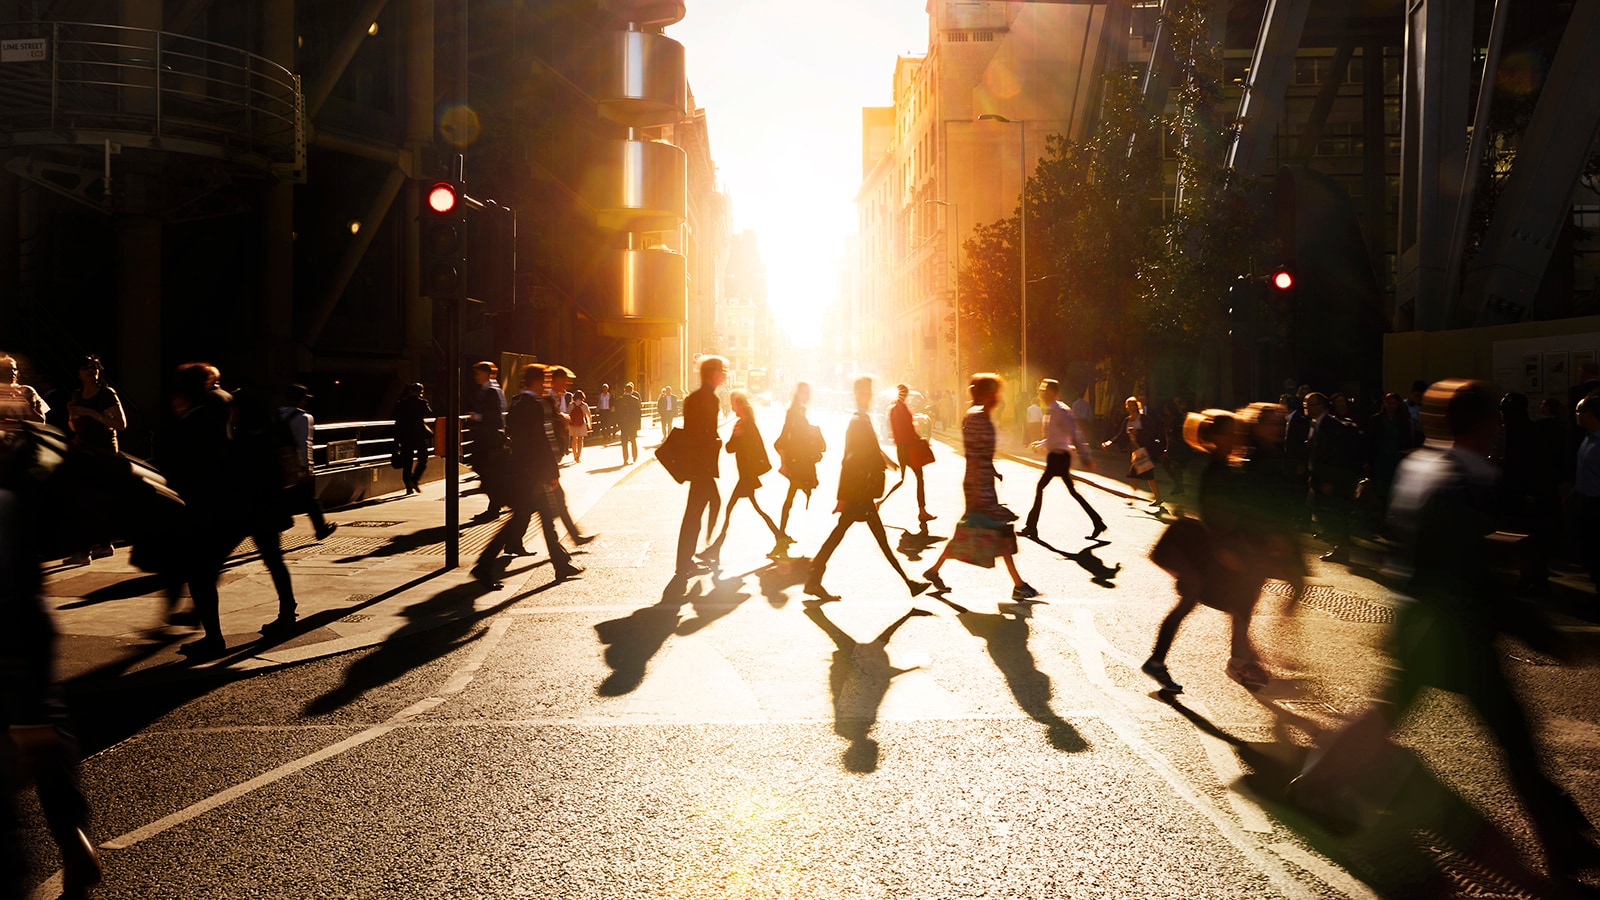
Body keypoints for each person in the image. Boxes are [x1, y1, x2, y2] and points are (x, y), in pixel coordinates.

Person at [1291, 380, 1600, 885]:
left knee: (1392, 719)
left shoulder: (1424, 465)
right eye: (1494, 423)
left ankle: (1311, 785)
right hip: (1455, 633)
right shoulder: (1461, 480)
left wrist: (1492, 543)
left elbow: (1427, 542)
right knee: (1516, 742)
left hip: (1425, 624)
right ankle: (1563, 849)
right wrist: (1545, 636)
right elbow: (1468, 573)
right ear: (1485, 426)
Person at [0, 457, 102, 900]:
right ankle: (72, 835)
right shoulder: (11, 493)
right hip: (29, 629)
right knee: (47, 739)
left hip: (10, 640)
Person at [1143, 409, 1280, 693]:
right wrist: (1225, 549)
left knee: (1223, 601)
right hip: (1202, 551)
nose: (1237, 437)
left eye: (1238, 433)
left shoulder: (1226, 466)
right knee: (1227, 598)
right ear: (1216, 438)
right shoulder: (1214, 468)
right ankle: (1238, 661)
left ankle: (1162, 661)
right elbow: (1212, 514)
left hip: (1209, 549)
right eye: (1231, 433)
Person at [802, 376, 931, 600]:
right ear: (860, 395)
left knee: (840, 536)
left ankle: (813, 580)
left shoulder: (863, 419)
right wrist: (843, 497)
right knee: (876, 540)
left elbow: (870, 451)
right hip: (859, 493)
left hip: (860, 492)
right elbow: (849, 459)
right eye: (867, 392)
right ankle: (909, 584)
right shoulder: (858, 421)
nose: (870, 396)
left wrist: (888, 463)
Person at [922, 373, 1038, 601]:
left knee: (973, 529)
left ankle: (934, 570)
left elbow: (978, 452)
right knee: (998, 530)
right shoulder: (978, 417)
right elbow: (977, 453)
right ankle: (1018, 584)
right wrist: (982, 485)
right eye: (995, 391)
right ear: (986, 394)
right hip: (978, 483)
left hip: (980, 479)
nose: (998, 397)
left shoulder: (976, 414)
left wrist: (991, 470)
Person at [472, 364, 581, 588]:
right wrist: (550, 472)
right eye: (546, 381)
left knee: (543, 518)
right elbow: (541, 442)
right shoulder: (533, 406)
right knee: (521, 520)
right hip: (532, 474)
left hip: (527, 472)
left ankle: (560, 563)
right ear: (538, 382)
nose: (548, 385)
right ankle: (483, 566)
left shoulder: (520, 403)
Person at [703, 390, 789, 562]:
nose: (732, 407)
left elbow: (756, 449)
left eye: (733, 403)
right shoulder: (742, 423)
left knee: (730, 509)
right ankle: (781, 538)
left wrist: (739, 437)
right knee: (757, 509)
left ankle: (713, 551)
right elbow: (730, 449)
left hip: (747, 476)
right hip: (746, 475)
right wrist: (735, 436)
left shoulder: (747, 424)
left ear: (740, 404)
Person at [1020, 378, 1105, 541]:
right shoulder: (1051, 409)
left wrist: (1086, 455)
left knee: (1041, 488)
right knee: (1071, 491)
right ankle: (1097, 522)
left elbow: (1074, 433)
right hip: (1056, 455)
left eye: (1044, 390)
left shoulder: (1060, 410)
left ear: (1052, 392)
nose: (1041, 393)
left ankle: (1031, 527)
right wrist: (1041, 443)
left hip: (1059, 456)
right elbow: (1055, 436)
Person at [62, 356, 127, 564]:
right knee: (91, 500)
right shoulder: (77, 395)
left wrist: (92, 413)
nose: (91, 371)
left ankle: (84, 551)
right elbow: (75, 427)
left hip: (104, 452)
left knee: (87, 500)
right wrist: (72, 416)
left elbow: (120, 424)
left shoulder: (106, 394)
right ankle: (104, 544)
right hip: (83, 450)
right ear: (78, 373)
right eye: (86, 367)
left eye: (94, 367)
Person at [676, 357, 727, 575]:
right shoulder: (708, 399)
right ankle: (697, 555)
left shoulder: (696, 397)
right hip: (702, 465)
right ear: (714, 373)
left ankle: (691, 557)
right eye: (722, 371)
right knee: (700, 509)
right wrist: (715, 441)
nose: (724, 374)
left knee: (698, 510)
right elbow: (703, 433)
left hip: (697, 464)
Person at [1303, 391, 1360, 563]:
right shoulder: (1315, 423)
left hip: (1330, 480)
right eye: (1305, 404)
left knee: (1334, 513)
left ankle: (1341, 548)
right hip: (1320, 477)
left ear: (1321, 406)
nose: (1306, 407)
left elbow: (1334, 455)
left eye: (1310, 404)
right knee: (1325, 511)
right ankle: (1338, 546)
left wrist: (1328, 480)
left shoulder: (1330, 425)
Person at [542, 366, 592, 544]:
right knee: (544, 509)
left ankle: (572, 541)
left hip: (545, 465)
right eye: (564, 381)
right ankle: (571, 543)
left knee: (544, 510)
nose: (567, 385)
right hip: (542, 466)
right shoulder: (545, 399)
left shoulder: (552, 399)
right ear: (555, 380)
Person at [280, 384, 336, 541]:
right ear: (302, 400)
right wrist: (307, 467)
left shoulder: (276, 415)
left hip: (276, 463)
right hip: (295, 464)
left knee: (279, 495)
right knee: (310, 499)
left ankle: (282, 523)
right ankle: (320, 528)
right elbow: (305, 443)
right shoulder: (303, 418)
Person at [879, 383, 934, 522]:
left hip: (900, 448)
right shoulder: (902, 409)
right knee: (919, 479)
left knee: (902, 478)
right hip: (910, 448)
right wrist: (920, 440)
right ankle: (922, 511)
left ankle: (880, 502)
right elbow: (908, 430)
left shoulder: (891, 409)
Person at [775, 381, 823, 539]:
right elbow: (787, 436)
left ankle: (782, 533)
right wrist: (784, 463)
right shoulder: (794, 412)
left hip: (799, 460)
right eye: (804, 392)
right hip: (797, 461)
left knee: (792, 494)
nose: (807, 395)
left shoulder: (800, 411)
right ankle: (781, 533)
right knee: (791, 495)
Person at [1362, 392, 1414, 533]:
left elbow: (1407, 441)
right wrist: (1366, 460)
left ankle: (1391, 521)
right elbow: (1369, 441)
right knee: (1381, 490)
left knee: (1394, 490)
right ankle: (1381, 520)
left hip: (1396, 458)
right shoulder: (1376, 420)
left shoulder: (1402, 421)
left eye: (1394, 403)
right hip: (1380, 458)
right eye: (1389, 403)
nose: (1391, 406)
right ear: (1384, 403)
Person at [1103, 396, 1163, 510]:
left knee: (1146, 475)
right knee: (1136, 475)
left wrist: (1137, 433)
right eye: (1128, 405)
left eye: (1133, 405)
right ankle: (1138, 497)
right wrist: (1109, 442)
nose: (1130, 407)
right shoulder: (1127, 420)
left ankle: (1147, 498)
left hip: (1144, 449)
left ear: (1137, 406)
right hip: (1135, 451)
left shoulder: (1144, 419)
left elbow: (1151, 432)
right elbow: (1121, 434)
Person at [468, 361, 508, 519]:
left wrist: (477, 416)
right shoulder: (491, 389)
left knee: (485, 470)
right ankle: (496, 503)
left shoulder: (490, 390)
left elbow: (495, 415)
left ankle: (497, 503)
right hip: (488, 438)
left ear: (485, 373)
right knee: (488, 472)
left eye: (477, 373)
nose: (475, 376)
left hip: (489, 439)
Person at [1575, 395, 1600, 589]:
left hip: (1597, 502)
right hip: (1585, 499)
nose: (1576, 414)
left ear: (1590, 414)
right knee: (1590, 548)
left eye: (1579, 411)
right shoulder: (1587, 438)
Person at [392, 383, 434, 494]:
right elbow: (429, 413)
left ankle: (408, 487)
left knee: (407, 461)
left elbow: (396, 418)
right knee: (423, 458)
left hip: (405, 435)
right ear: (421, 391)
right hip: (419, 435)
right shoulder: (422, 403)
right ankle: (414, 479)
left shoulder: (401, 403)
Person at [0, 355, 47, 424]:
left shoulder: (27, 391)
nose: (13, 372)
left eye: (14, 369)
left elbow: (41, 421)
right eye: (7, 369)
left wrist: (23, 402)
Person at [615, 382, 642, 465]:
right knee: (633, 440)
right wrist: (638, 425)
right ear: (632, 391)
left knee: (624, 442)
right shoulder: (635, 400)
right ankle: (634, 456)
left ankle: (625, 459)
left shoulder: (619, 400)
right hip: (633, 424)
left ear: (624, 390)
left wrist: (618, 423)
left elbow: (617, 413)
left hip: (623, 424)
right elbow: (638, 413)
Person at [568, 388, 591, 463]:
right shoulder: (584, 405)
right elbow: (588, 415)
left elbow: (567, 415)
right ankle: (578, 455)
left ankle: (574, 455)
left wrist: (567, 425)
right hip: (581, 424)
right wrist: (590, 424)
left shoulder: (571, 405)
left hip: (573, 424)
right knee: (580, 440)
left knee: (574, 440)